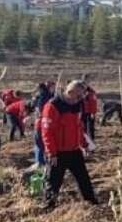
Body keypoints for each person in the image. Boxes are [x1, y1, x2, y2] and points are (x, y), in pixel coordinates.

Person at [40, 81, 99, 209]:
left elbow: (79, 127)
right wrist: (52, 153)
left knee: (84, 179)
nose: (80, 99)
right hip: (58, 153)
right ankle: (48, 207)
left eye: (82, 96)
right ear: (70, 92)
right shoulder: (53, 106)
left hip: (74, 150)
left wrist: (85, 144)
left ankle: (92, 204)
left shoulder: (77, 105)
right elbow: (47, 132)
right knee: (53, 182)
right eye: (78, 96)